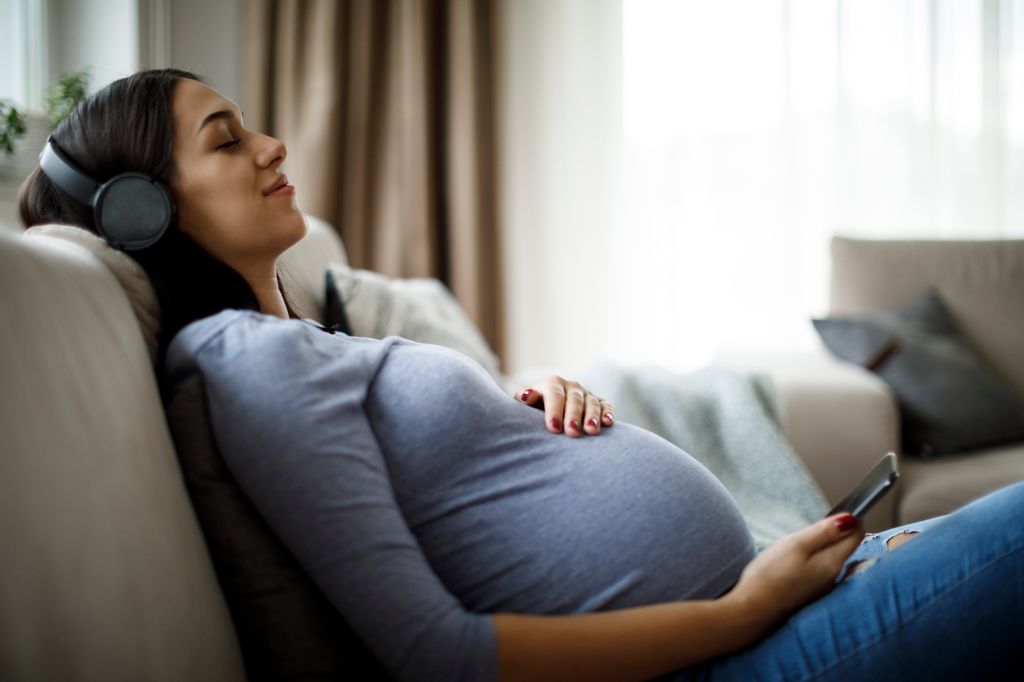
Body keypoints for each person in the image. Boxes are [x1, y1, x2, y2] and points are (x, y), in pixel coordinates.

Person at [19, 69, 1023, 682]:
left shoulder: (305, 340)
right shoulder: (247, 363)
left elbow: (446, 487)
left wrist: (512, 411)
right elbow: (437, 656)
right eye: (226, 140)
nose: (273, 145)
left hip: (762, 625)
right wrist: (741, 611)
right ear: (141, 210)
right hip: (740, 653)